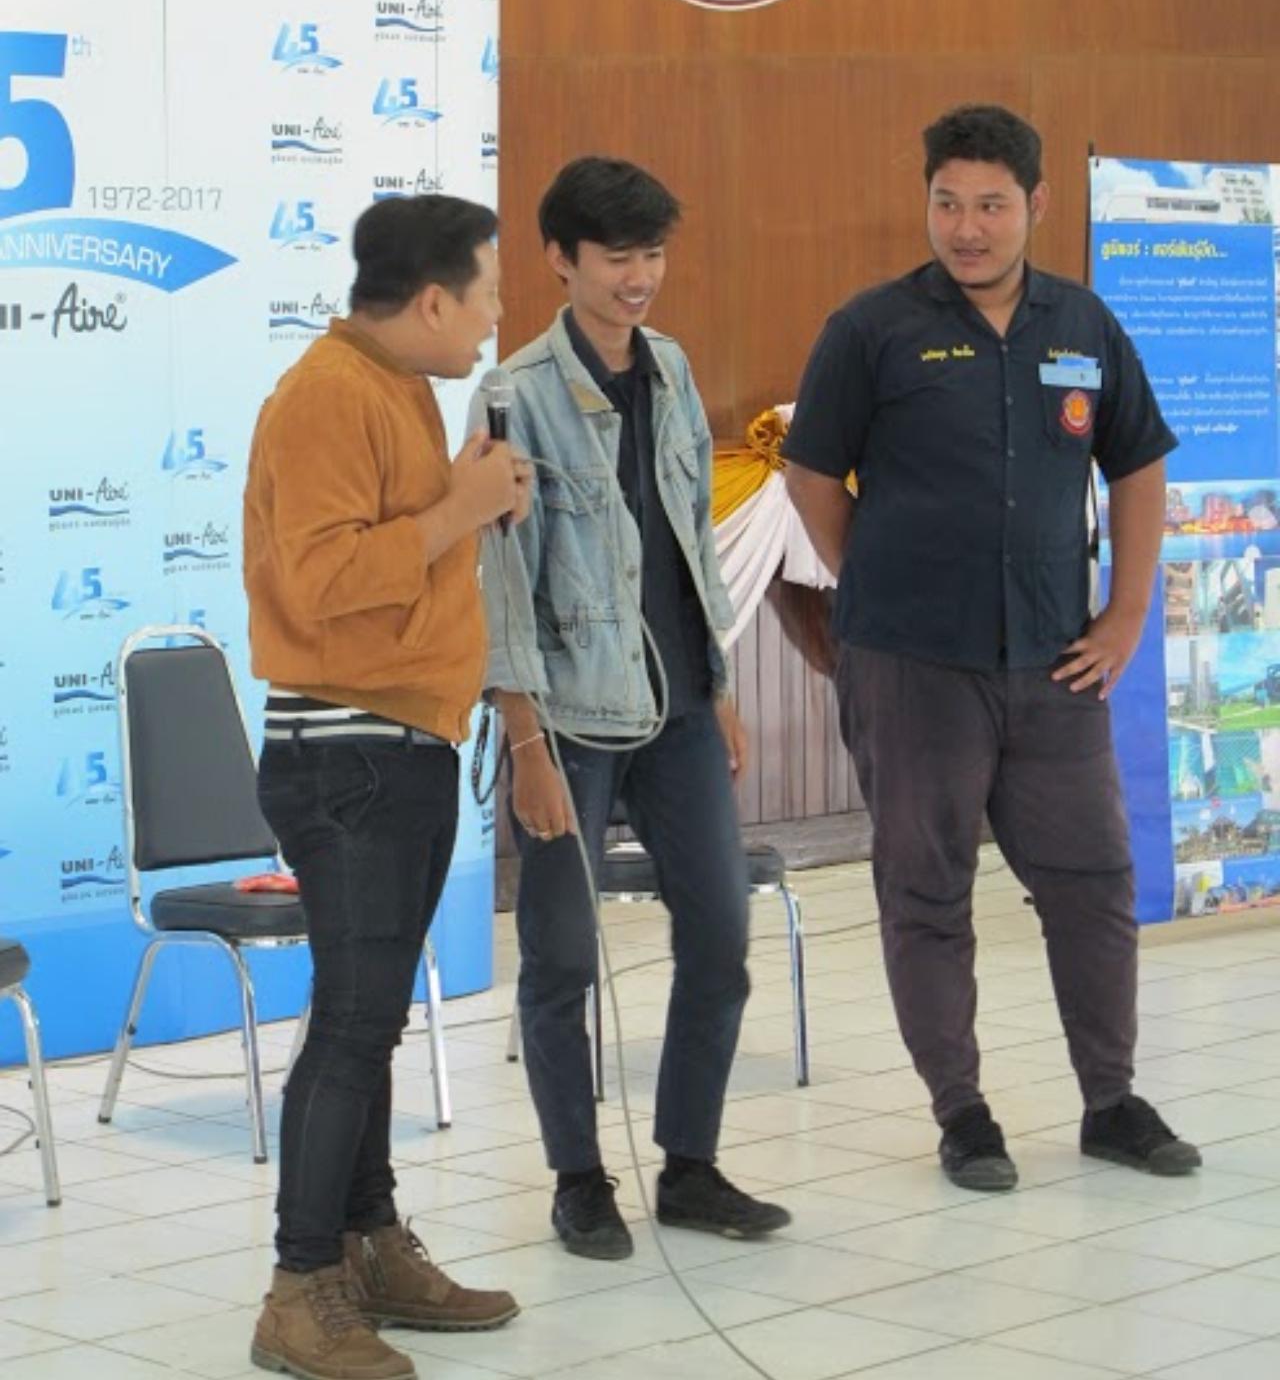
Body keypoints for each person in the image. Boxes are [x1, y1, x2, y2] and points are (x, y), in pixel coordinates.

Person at [783, 104, 1202, 1193]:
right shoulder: (871, 328)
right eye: (947, 203)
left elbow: (1137, 464)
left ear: (1035, 205)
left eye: (990, 205)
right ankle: (962, 1115)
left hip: (1056, 663)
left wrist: (1124, 613)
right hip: (913, 667)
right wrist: (873, 579)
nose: (966, 228)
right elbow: (811, 474)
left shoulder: (1083, 323)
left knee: (1093, 881)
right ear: (925, 201)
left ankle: (1111, 1100)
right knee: (926, 888)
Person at [473, 156, 790, 1260]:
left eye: (652, 254)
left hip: (681, 710)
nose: (638, 277)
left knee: (721, 937)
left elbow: (692, 538)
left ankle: (690, 1165)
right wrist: (523, 741)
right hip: (566, 717)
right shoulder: (514, 394)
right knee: (561, 956)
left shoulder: (672, 365)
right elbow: (500, 586)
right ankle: (578, 1179)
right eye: (616, 258)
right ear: (560, 260)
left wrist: (719, 685)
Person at [243, 194, 531, 1380]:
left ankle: (366, 1243)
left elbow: (397, 551)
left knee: (369, 1017)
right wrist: (460, 508)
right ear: (432, 300)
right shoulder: (328, 394)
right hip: (345, 751)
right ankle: (298, 1285)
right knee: (355, 1023)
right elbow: (316, 582)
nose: (495, 316)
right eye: (487, 294)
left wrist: (461, 504)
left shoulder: (399, 386)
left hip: (399, 741)